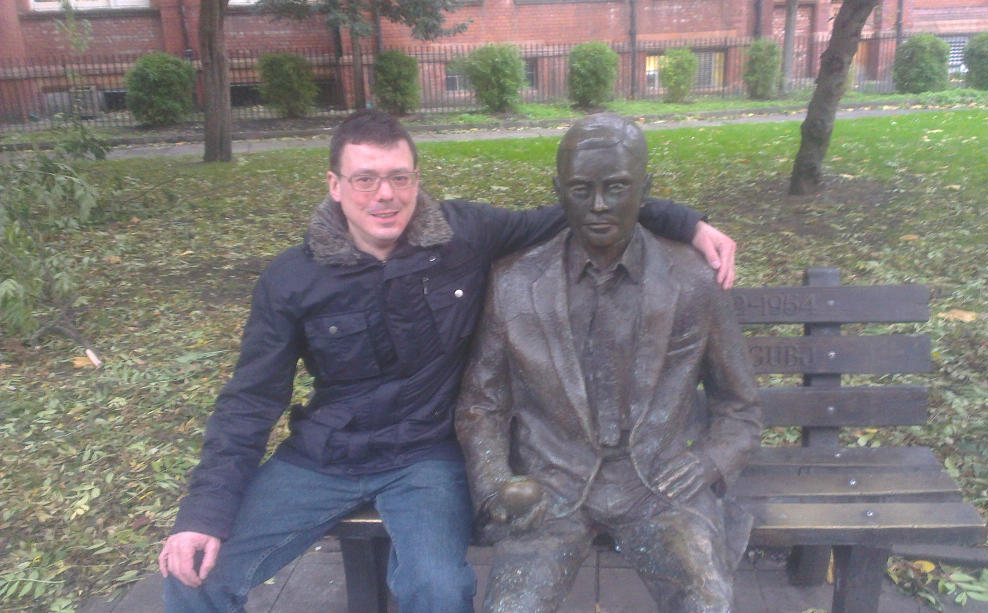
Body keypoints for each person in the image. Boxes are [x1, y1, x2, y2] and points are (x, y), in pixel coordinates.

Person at [158, 109, 739, 613]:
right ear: (334, 185)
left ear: (416, 179)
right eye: (365, 179)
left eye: (399, 177)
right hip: (324, 457)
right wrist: (203, 514)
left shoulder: (463, 236)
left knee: (437, 590)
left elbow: (582, 206)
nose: (384, 195)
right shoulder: (291, 280)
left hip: (424, 459)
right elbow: (249, 401)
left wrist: (687, 223)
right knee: (193, 577)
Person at [455, 113, 761, 612]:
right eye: (581, 190)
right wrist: (497, 485)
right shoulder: (514, 283)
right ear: (559, 191)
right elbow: (480, 406)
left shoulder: (692, 281)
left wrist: (709, 462)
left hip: (658, 489)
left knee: (707, 603)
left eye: (616, 188)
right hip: (552, 491)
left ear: (645, 189)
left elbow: (740, 407)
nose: (599, 205)